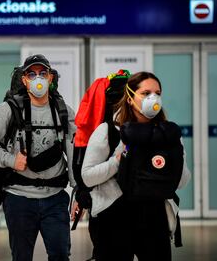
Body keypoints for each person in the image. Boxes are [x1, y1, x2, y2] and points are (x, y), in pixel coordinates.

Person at [81, 72, 191, 261]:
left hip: (154, 216)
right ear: (130, 97)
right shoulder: (109, 131)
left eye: (157, 93)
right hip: (115, 216)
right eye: (146, 93)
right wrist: (117, 160)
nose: (153, 98)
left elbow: (181, 182)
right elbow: (88, 176)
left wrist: (175, 155)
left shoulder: (168, 134)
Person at [0, 54, 76, 261]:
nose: (37, 78)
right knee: (21, 257)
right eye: (32, 74)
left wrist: (78, 191)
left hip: (55, 198)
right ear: (24, 79)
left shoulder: (64, 112)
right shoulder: (6, 110)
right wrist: (10, 160)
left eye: (43, 73)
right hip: (18, 198)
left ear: (51, 78)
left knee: (60, 255)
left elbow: (74, 151)